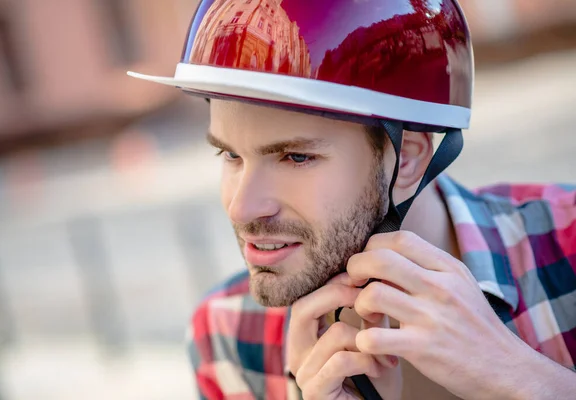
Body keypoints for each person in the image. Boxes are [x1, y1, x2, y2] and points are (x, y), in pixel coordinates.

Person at [128, 0, 576, 398]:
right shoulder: (227, 336)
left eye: (295, 156)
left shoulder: (566, 243)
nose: (242, 208)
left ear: (409, 160)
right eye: (230, 154)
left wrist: (525, 379)